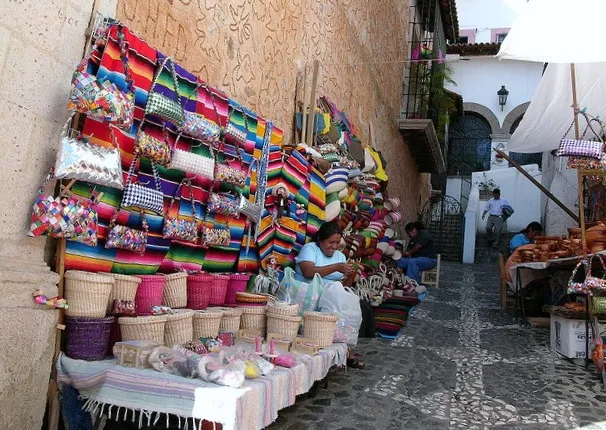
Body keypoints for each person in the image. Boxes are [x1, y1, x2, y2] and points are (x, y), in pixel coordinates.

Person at [294, 222, 364, 369]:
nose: (334, 246)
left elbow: (343, 288)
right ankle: (344, 352)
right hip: (307, 299)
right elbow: (308, 272)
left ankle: (345, 349)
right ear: (320, 240)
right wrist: (337, 267)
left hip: (329, 302)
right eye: (331, 242)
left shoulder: (339, 256)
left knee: (350, 312)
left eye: (337, 243)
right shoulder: (310, 249)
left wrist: (350, 276)